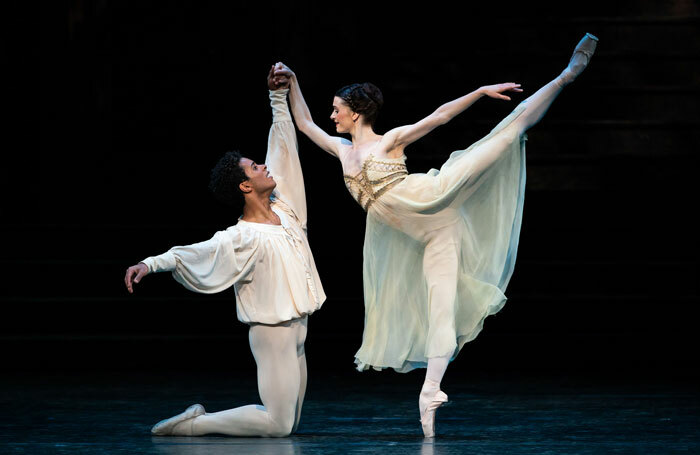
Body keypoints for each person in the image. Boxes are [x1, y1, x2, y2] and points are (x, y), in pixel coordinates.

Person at [274, 33, 598, 437]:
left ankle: (567, 75)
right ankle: (430, 392)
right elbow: (303, 123)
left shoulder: (388, 141)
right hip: (431, 236)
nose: (332, 115)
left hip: (438, 195)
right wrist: (292, 80)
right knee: (439, 309)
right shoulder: (341, 150)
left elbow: (440, 116)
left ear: (356, 113)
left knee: (506, 133)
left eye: (337, 109)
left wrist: (479, 91)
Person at [123, 67, 325, 437]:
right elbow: (194, 252)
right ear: (246, 185)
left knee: (290, 424)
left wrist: (278, 97)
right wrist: (150, 264)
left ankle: (196, 424)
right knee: (278, 426)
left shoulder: (287, 209)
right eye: (254, 166)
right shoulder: (240, 236)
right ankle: (192, 426)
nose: (263, 165)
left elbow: (282, 146)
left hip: (298, 327)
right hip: (273, 331)